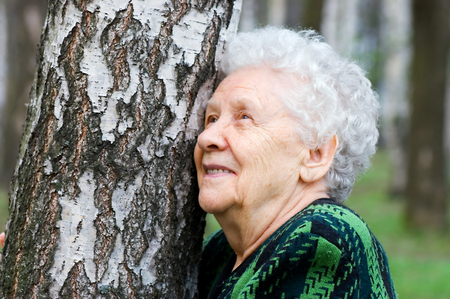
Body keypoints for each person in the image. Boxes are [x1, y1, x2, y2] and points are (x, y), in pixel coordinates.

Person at [194, 27, 397, 299]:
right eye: (212, 118)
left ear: (315, 154)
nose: (208, 137)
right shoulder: (221, 250)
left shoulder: (324, 241)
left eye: (244, 117)